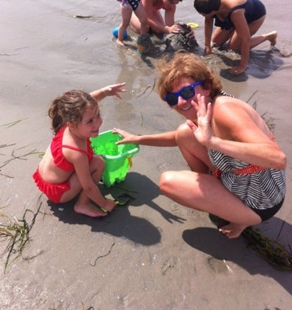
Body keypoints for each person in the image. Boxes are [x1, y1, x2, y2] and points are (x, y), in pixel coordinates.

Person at [113, 52, 286, 238]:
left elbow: (277, 158)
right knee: (184, 133)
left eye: (186, 92)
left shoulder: (226, 111)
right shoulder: (206, 109)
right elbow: (178, 137)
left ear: (207, 86)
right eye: (172, 99)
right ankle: (218, 197)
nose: (180, 102)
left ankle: (240, 219)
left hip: (261, 202)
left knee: (168, 183)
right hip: (239, 180)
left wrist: (212, 142)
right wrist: (137, 139)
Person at [33, 83, 126, 217]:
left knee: (92, 159)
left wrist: (105, 92)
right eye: (89, 122)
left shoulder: (67, 120)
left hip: (46, 179)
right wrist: (104, 203)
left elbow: (87, 104)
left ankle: (81, 197)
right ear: (72, 123)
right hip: (58, 193)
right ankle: (82, 204)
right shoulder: (76, 151)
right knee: (98, 163)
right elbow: (88, 186)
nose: (97, 123)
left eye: (98, 115)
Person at [193, 0, 277, 76]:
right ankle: (237, 27)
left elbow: (246, 40)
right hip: (229, 14)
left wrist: (242, 66)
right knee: (215, 43)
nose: (202, 16)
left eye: (203, 14)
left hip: (254, 15)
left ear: (214, 11)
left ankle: (269, 36)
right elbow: (208, 21)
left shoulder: (235, 12)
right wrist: (207, 46)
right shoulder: (210, 5)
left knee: (234, 48)